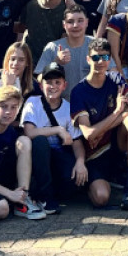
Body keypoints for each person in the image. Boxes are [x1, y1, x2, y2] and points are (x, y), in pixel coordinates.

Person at [70, 40, 128, 209]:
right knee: (101, 198)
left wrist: (105, 127)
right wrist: (117, 112)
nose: (101, 61)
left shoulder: (115, 78)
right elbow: (88, 134)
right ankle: (93, 184)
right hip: (95, 153)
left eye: (105, 57)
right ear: (88, 59)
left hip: (115, 144)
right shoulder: (79, 91)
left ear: (110, 59)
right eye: (96, 57)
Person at [0, 86, 45, 221]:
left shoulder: (11, 133)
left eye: (13, 107)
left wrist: (16, 193)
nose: (8, 112)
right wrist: (10, 194)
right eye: (3, 107)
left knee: (24, 140)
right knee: (2, 210)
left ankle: (23, 199)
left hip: (6, 184)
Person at [21, 63, 89, 213]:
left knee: (71, 184)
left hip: (58, 156)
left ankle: (49, 192)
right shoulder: (32, 103)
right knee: (40, 141)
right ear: (40, 85)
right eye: (48, 82)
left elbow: (77, 142)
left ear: (64, 85)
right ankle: (45, 196)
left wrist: (80, 161)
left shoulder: (68, 108)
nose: (53, 86)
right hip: (37, 158)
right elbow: (29, 132)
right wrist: (58, 129)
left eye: (57, 82)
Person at [35, 4, 93, 92]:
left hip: (90, 102)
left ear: (87, 22)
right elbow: (39, 78)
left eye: (80, 21)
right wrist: (56, 62)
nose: (75, 25)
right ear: (64, 24)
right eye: (70, 21)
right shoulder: (52, 47)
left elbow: (112, 71)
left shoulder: (96, 45)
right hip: (60, 102)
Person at [23, 0, 69, 66]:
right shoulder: (31, 6)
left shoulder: (66, 7)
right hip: (32, 58)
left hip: (55, 59)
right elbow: (21, 29)